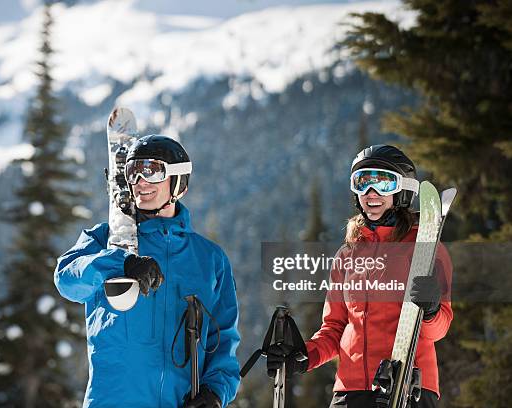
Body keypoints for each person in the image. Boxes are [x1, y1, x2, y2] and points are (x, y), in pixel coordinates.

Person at [54, 135, 240, 407]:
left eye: (152, 171)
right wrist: (121, 262)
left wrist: (215, 391)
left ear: (179, 182)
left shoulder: (210, 259)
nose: (140, 182)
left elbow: (223, 337)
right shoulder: (105, 240)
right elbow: (66, 278)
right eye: (133, 172)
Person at [266, 145, 453, 408]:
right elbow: (334, 328)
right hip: (350, 392)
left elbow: (440, 328)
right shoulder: (347, 254)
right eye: (362, 183)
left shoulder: (424, 247)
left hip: (409, 389)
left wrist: (431, 310)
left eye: (383, 184)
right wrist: (303, 356)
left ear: (403, 190)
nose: (371, 193)